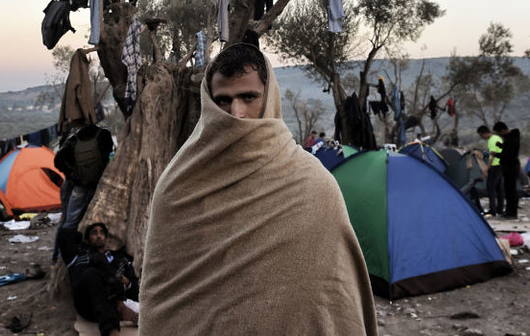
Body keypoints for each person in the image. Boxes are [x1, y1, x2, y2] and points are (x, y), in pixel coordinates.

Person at [139, 43, 378, 335]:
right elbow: (161, 304)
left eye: (248, 97)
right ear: (209, 102)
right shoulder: (177, 185)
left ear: (269, 99)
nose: (235, 112)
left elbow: (332, 297)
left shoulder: (313, 184)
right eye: (223, 100)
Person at [58, 221, 139, 336]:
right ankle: (114, 322)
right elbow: (63, 233)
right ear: (88, 239)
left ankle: (117, 315)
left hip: (112, 302)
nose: (98, 235)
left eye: (101, 233)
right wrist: (82, 237)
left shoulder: (121, 259)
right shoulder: (79, 256)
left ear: (106, 238)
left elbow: (136, 288)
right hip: (86, 304)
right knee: (92, 271)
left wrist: (126, 282)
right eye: (94, 233)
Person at [52, 119, 113, 262]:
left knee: (69, 222)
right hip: (98, 185)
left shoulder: (74, 138)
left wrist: (72, 176)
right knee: (96, 220)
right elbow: (107, 157)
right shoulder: (103, 134)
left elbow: (58, 160)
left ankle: (60, 258)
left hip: (78, 186)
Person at [493, 121, 521, 219]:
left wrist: (496, 155)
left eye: (498, 133)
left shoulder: (511, 139)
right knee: (509, 190)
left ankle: (512, 213)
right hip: (509, 167)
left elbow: (509, 155)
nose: (499, 135)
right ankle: (509, 211)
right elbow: (508, 150)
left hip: (511, 168)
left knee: (511, 191)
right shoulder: (510, 138)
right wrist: (500, 146)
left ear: (502, 130)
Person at [477, 125, 504, 216]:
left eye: (481, 135)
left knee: (490, 187)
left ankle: (493, 210)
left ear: (483, 133)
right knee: (499, 188)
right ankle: (499, 209)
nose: (481, 137)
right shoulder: (498, 138)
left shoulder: (492, 140)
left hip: (495, 165)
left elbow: (493, 155)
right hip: (501, 164)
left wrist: (486, 169)